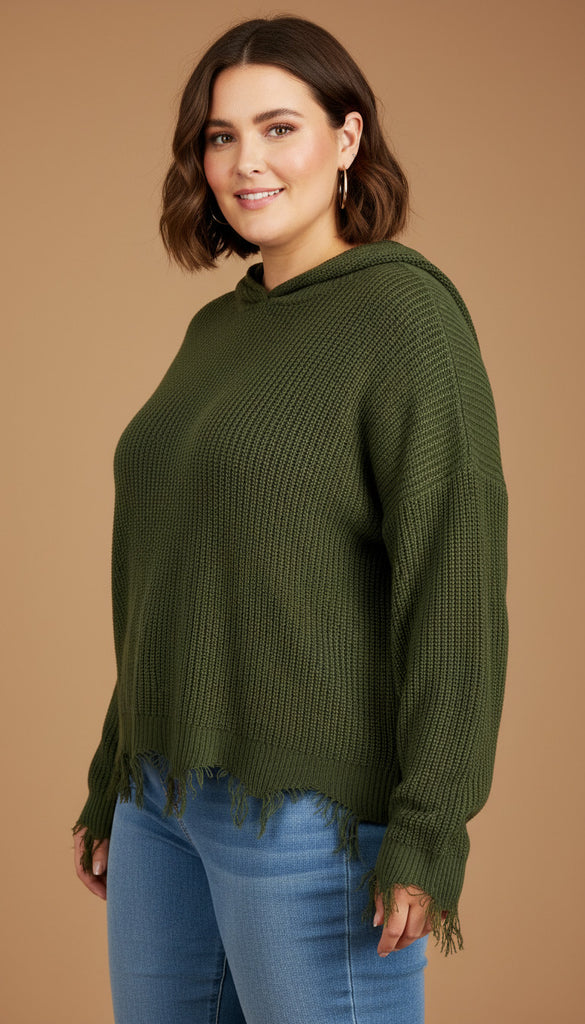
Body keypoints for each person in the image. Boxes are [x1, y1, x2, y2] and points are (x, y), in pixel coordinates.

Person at [72, 15, 509, 1024]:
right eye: (221, 136)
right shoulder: (216, 330)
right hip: (160, 797)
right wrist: (112, 773)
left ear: (347, 138)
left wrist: (428, 829)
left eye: (279, 128)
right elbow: (172, 572)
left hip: (306, 814)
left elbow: (452, 586)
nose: (245, 162)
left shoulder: (404, 318)